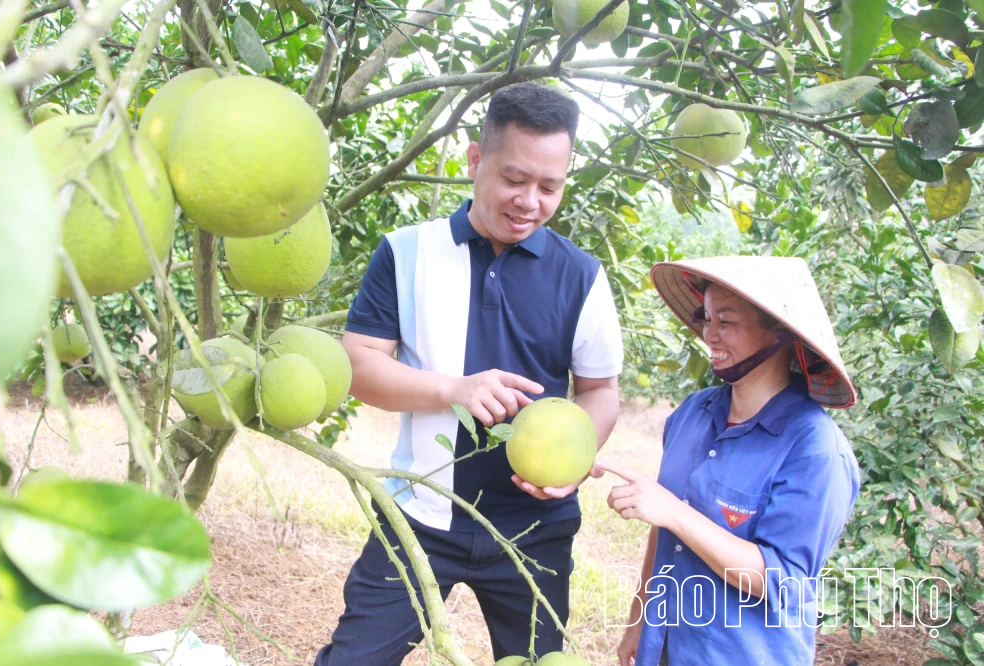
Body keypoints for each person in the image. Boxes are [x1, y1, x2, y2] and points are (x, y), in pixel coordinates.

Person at [316, 82, 624, 665]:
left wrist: (576, 460)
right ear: (475, 160)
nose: (529, 201)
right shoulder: (406, 252)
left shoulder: (582, 276)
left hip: (535, 530)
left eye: (549, 187)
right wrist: (453, 389)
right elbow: (356, 365)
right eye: (514, 179)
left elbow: (600, 389)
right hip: (419, 512)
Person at [593, 256, 861, 666]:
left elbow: (783, 580)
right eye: (707, 317)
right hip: (666, 646)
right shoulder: (692, 413)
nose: (709, 333)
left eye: (727, 321)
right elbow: (665, 535)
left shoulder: (815, 450)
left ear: (781, 334)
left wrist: (674, 513)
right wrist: (639, 620)